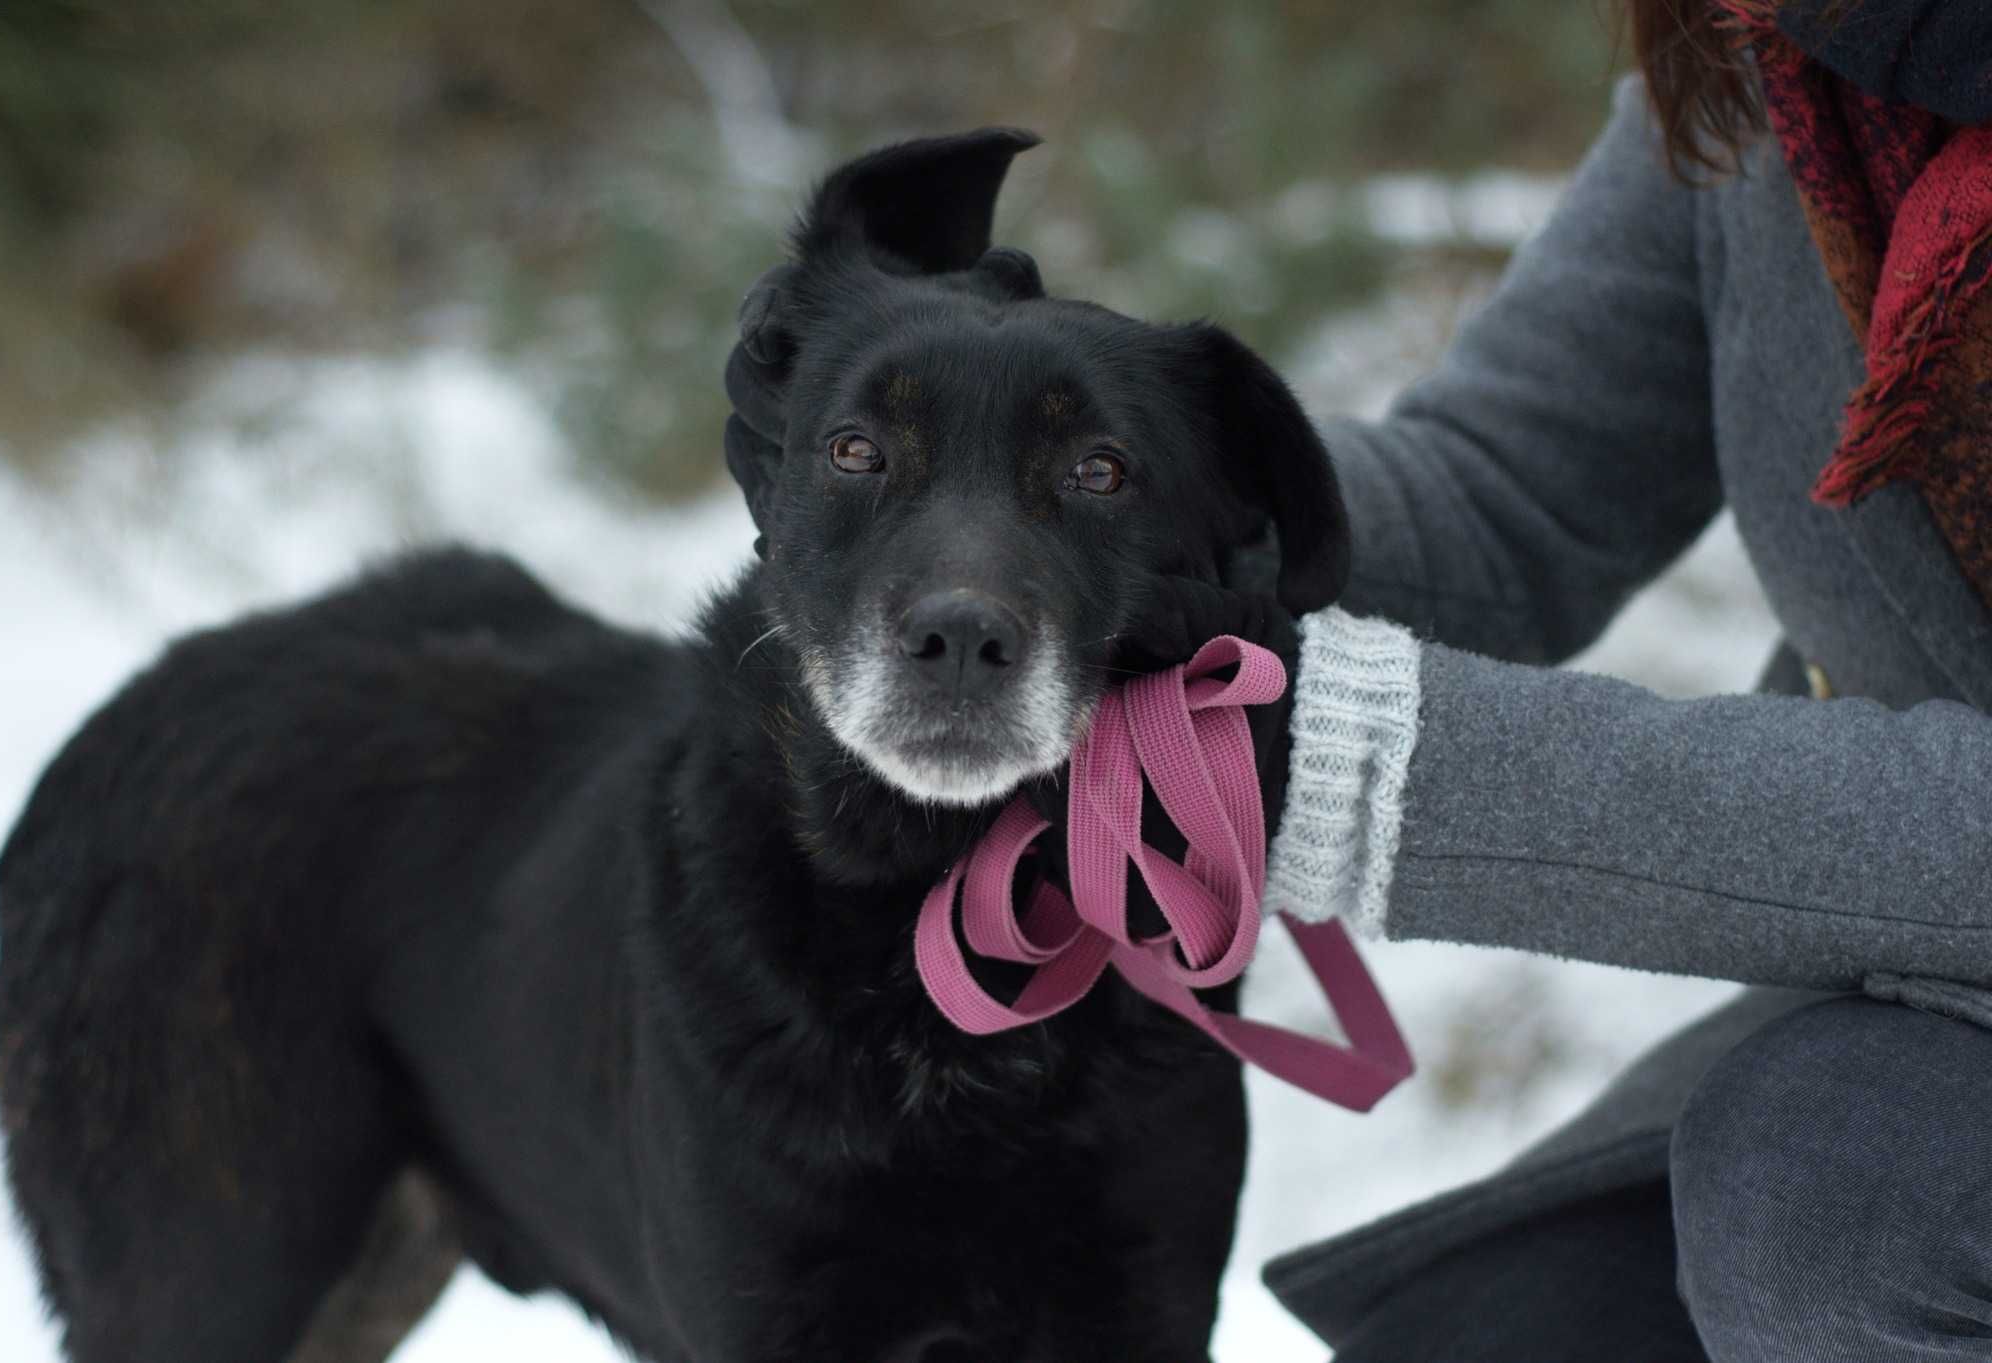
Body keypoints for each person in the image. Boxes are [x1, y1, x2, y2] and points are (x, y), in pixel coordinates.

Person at [726, 2, 1992, 1356]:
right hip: (1930, 982)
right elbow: (1511, 493)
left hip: (1905, 1056)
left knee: (1828, 1200)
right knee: (1480, 1336)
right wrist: (1096, 472)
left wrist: (1353, 756)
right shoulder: (1783, 59)